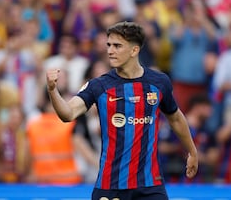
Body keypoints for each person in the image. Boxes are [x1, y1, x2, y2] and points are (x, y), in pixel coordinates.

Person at [46, 21, 198, 200]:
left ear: (134, 50)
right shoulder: (99, 85)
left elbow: (175, 118)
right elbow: (68, 114)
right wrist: (52, 90)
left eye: (117, 46)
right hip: (110, 186)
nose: (110, 51)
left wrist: (192, 151)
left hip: (150, 186)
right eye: (109, 45)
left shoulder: (159, 82)